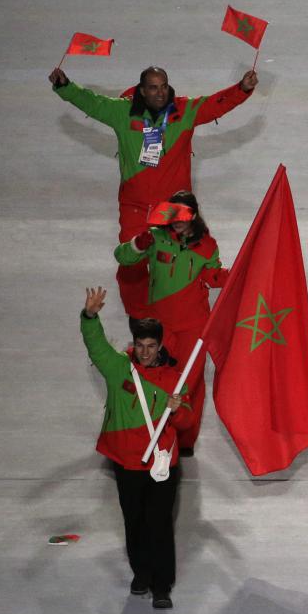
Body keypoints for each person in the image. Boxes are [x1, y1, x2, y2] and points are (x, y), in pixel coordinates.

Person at [50, 65, 257, 318]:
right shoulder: (123, 112)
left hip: (173, 211)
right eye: (153, 88)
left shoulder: (184, 111)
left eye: (164, 86)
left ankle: (180, 314)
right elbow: (92, 103)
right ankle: (142, 322)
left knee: (181, 262)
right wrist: (65, 86)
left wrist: (242, 88)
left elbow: (215, 104)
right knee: (131, 266)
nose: (160, 93)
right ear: (142, 91)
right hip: (135, 208)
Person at [80, 286, 192, 609]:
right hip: (127, 462)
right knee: (134, 521)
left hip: (161, 464)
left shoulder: (175, 378)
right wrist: (90, 317)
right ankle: (141, 573)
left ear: (160, 346)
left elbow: (186, 422)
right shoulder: (118, 369)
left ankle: (162, 586)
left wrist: (177, 409)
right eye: (140, 345)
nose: (145, 352)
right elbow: (96, 346)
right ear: (134, 344)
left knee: (159, 524)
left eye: (151, 346)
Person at [114, 192, 228, 455]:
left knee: (190, 381)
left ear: (194, 215)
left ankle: (185, 439)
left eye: (182, 215)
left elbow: (212, 275)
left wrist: (233, 275)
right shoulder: (155, 237)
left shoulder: (208, 245)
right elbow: (122, 256)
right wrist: (137, 245)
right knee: (154, 376)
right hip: (160, 326)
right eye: (172, 214)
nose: (177, 220)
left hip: (194, 326)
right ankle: (151, 430)